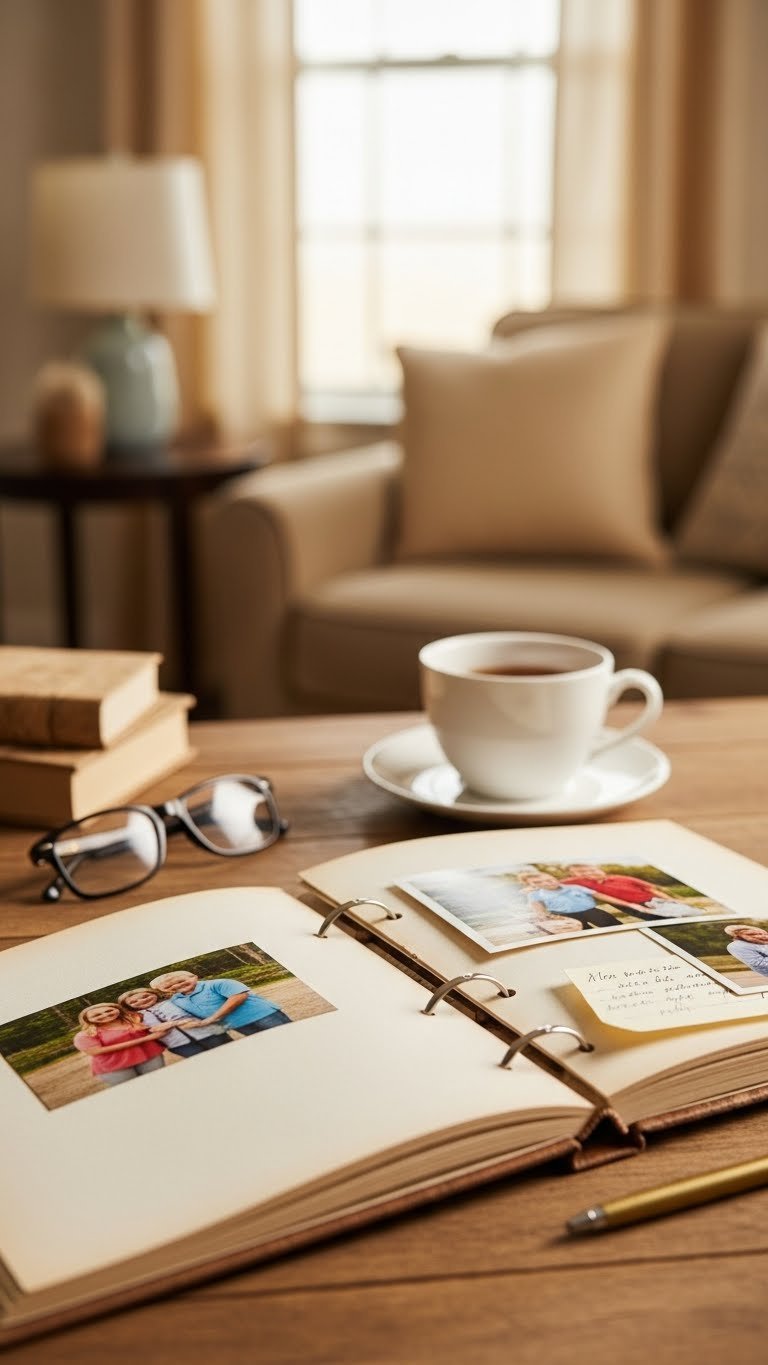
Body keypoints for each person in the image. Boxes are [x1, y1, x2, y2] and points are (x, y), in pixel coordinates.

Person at [150, 969, 291, 1036]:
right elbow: (185, 1016)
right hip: (237, 1024)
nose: (176, 986)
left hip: (262, 1015)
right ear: (162, 991)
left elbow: (238, 997)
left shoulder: (218, 983)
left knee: (288, 1036)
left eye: (181, 981)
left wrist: (212, 1019)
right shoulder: (176, 1000)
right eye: (168, 987)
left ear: (195, 976)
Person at [117, 987, 233, 1059]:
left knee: (229, 1053)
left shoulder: (174, 1001)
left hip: (210, 1033)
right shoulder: (136, 1016)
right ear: (128, 1006)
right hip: (179, 1044)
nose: (142, 1000)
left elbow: (196, 1013)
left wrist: (173, 1023)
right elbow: (151, 1029)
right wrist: (175, 1023)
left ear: (154, 994)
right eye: (134, 1002)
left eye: (145, 996)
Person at [72, 1002, 169, 1088]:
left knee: (158, 1084)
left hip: (150, 1056)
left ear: (117, 1009)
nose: (105, 1014)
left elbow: (155, 1026)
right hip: (115, 1066)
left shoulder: (134, 1020)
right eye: (97, 1015)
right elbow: (96, 1051)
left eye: (109, 1010)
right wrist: (146, 1039)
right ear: (87, 1019)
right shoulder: (86, 1034)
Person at [561, 863, 689, 921]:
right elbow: (554, 883)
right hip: (627, 905)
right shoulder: (581, 882)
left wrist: (668, 898)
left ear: (599, 869)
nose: (589, 873)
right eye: (582, 873)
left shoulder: (621, 877)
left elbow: (650, 888)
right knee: (654, 919)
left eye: (591, 870)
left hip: (652, 900)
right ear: (575, 875)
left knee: (677, 913)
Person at [517, 871, 622, 929]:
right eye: (537, 882)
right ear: (530, 885)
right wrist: (543, 918)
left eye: (549, 880)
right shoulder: (534, 894)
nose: (546, 883)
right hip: (563, 915)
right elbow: (538, 910)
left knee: (612, 925)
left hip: (589, 911)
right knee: (583, 932)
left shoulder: (568, 884)